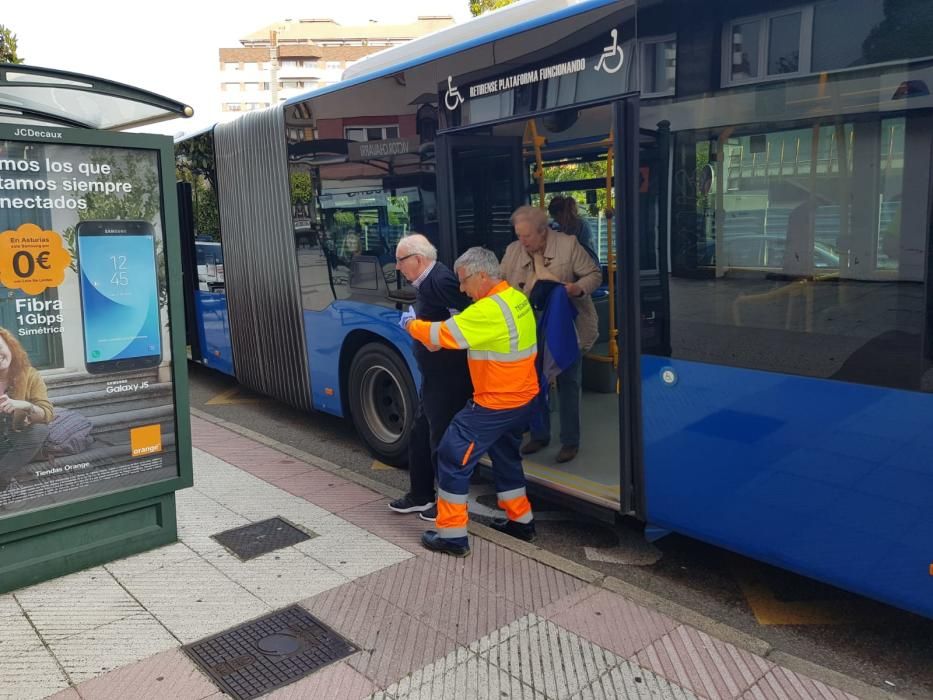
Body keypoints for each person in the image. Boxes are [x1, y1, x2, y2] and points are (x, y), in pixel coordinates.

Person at [401, 247, 538, 557]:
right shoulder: (516, 299)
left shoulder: (486, 311)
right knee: (506, 458)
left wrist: (411, 324)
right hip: (523, 399)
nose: (461, 289)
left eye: (463, 282)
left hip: (494, 403)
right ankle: (522, 522)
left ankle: (452, 536)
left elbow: (440, 336)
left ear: (482, 276)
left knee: (451, 456)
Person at [500, 205, 602, 463]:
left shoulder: (568, 245)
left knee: (568, 382)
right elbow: (501, 282)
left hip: (566, 325)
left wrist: (576, 289)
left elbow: (594, 274)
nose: (521, 241)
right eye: (518, 235)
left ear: (542, 231)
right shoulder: (513, 251)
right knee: (531, 381)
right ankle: (539, 434)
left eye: (526, 236)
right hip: (528, 328)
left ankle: (570, 441)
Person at [389, 234, 472, 520]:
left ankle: (445, 504)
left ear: (418, 259)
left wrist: (437, 339)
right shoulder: (428, 281)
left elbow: (465, 320)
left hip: (447, 378)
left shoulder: (441, 280)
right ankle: (421, 495)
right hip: (434, 375)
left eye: (400, 261)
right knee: (420, 432)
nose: (398, 268)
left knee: (440, 438)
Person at [0, 327, 54, 491]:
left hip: (19, 436)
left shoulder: (30, 375)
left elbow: (47, 414)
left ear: (10, 346)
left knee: (40, 430)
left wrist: (25, 405)